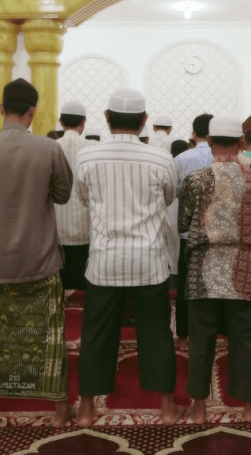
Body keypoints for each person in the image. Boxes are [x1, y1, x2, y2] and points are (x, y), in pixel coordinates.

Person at [74, 88, 183, 427]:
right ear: (144, 121)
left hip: (105, 261)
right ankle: (166, 409)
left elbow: (85, 199)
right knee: (157, 332)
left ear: (106, 118)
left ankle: (88, 411)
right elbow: (168, 199)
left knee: (96, 333)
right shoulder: (160, 159)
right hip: (148, 261)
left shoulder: (88, 157)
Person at [0, 78, 73, 428]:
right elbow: (62, 195)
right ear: (33, 110)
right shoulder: (47, 149)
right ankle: (59, 414)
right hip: (40, 261)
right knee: (50, 339)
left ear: (1, 108)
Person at [179, 116, 251, 423]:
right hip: (245, 269)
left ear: (208, 140)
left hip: (202, 271)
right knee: (246, 337)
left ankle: (200, 409)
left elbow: (183, 224)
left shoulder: (195, 179)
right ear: (242, 142)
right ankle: (248, 409)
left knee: (201, 338)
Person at [173, 113, 215, 349]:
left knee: (186, 285)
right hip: (220, 234)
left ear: (193, 133)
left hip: (189, 233)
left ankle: (183, 336)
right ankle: (223, 334)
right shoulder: (227, 157)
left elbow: (178, 194)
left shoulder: (181, 159)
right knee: (218, 284)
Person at [55, 102, 93, 292]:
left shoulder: (52, 146)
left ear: (61, 122)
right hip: (86, 223)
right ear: (83, 122)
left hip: (57, 224)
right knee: (82, 279)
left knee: (61, 279)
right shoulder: (92, 147)